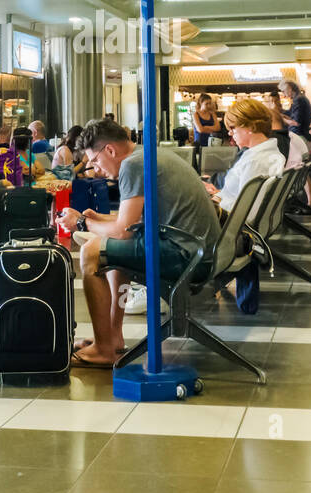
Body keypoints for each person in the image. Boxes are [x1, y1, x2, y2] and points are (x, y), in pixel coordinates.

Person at [55, 118, 221, 366]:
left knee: (91, 252)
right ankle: (112, 336)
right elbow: (132, 222)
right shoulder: (146, 154)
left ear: (110, 150)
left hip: (186, 254)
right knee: (108, 251)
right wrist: (97, 218)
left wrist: (81, 223)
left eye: (95, 160)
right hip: (199, 249)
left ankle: (104, 349)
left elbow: (124, 231)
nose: (94, 168)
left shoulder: (133, 166)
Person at [208, 99, 285, 212]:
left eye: (233, 128)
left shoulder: (255, 161)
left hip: (224, 222)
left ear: (250, 126)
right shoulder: (268, 153)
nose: (230, 133)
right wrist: (221, 194)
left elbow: (245, 211)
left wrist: (217, 200)